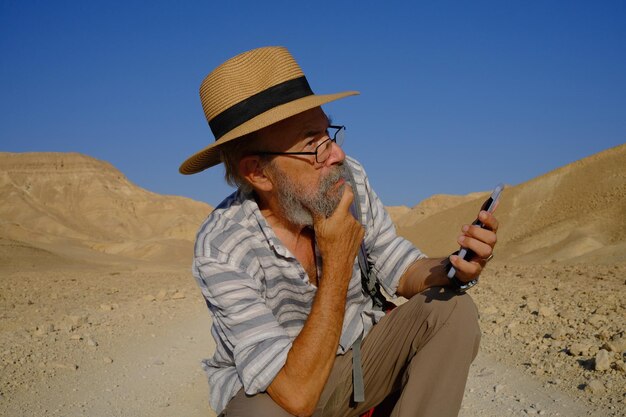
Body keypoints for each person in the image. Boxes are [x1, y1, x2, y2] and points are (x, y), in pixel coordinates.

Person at [179, 46, 499, 417]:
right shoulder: (222, 246)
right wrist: (336, 261)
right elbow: (295, 396)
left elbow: (396, 263)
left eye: (328, 133)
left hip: (361, 364)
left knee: (451, 310)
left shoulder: (347, 181)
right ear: (258, 173)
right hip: (286, 391)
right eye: (313, 144)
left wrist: (455, 266)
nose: (336, 155)